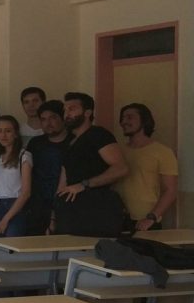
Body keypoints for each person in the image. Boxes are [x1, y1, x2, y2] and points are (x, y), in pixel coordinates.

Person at [54, 92, 128, 237]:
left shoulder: (99, 135)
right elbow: (64, 179)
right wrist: (55, 213)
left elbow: (121, 168)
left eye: (72, 109)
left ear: (87, 112)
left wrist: (84, 184)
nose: (67, 113)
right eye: (65, 110)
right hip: (69, 210)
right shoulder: (68, 141)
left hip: (97, 208)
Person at [115, 103, 178, 231]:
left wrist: (151, 218)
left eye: (130, 117)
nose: (124, 122)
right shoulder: (117, 151)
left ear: (144, 120)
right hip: (116, 217)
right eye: (122, 118)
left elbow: (170, 191)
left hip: (145, 221)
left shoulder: (163, 152)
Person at [24, 100, 73, 236]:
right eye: (43, 119)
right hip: (37, 206)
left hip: (67, 204)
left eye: (53, 117)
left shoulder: (74, 141)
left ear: (63, 118)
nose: (48, 123)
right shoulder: (35, 143)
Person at [0, 116, 31, 238]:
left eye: (8, 131)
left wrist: (6, 219)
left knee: (11, 245)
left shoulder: (24, 155)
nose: (3, 135)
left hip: (14, 206)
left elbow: (26, 192)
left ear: (15, 134)